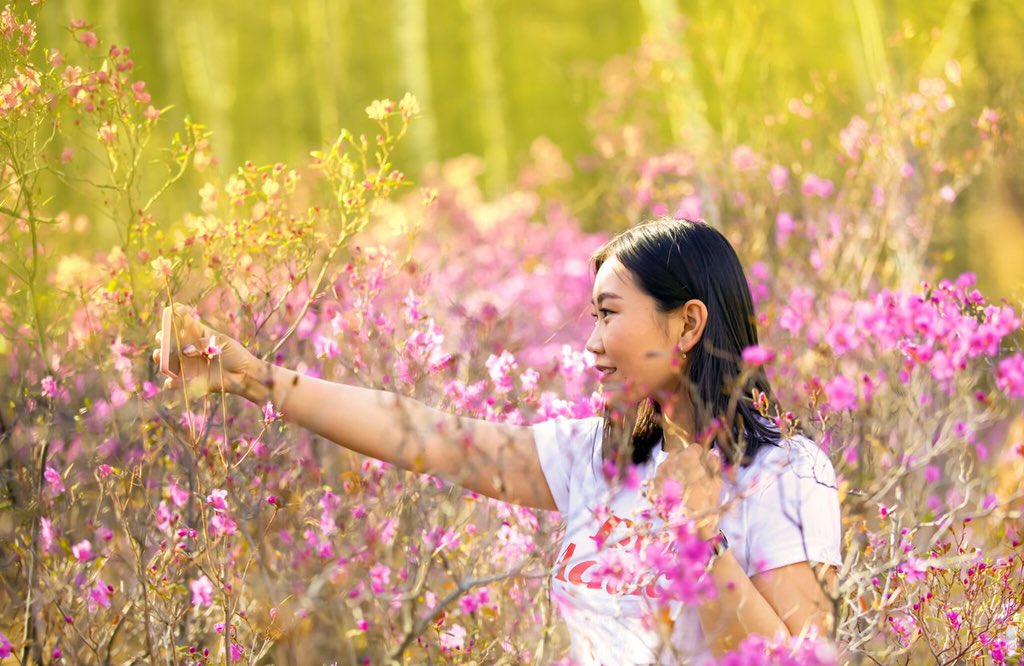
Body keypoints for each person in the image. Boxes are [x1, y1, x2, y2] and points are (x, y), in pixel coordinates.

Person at [152, 218, 842, 665]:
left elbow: (795, 658)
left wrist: (703, 542)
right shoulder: (596, 459)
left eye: (609, 315)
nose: (593, 345)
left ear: (687, 325)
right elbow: (418, 434)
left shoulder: (785, 473)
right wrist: (253, 379)